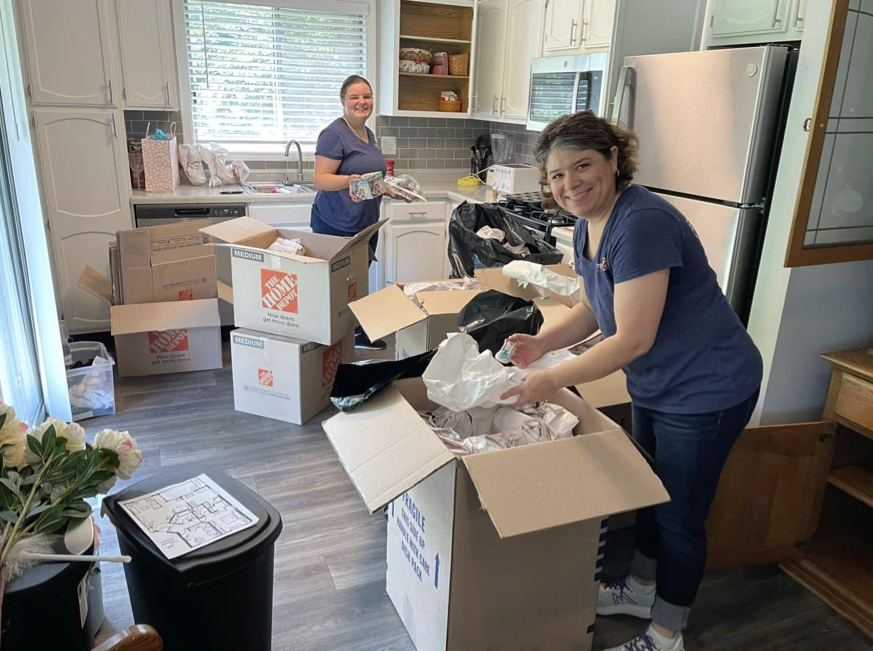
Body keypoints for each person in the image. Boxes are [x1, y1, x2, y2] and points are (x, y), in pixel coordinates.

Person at [500, 111, 763, 651]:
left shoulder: (641, 222)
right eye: (556, 175)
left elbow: (632, 340)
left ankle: (667, 634)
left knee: (679, 515)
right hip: (660, 384)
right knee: (649, 492)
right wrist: (542, 344)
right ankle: (641, 589)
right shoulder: (587, 221)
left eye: (582, 166)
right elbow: (593, 306)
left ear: (614, 160)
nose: (569, 183)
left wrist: (551, 383)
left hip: (706, 389)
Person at [312, 74, 402, 350]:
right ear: (343, 101)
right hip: (336, 223)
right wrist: (352, 181)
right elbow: (321, 179)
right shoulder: (334, 134)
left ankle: (355, 334)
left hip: (364, 222)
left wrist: (386, 188)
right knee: (338, 284)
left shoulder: (367, 132)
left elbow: (369, 179)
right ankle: (332, 342)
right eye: (355, 97)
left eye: (367, 96)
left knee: (357, 281)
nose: (362, 102)